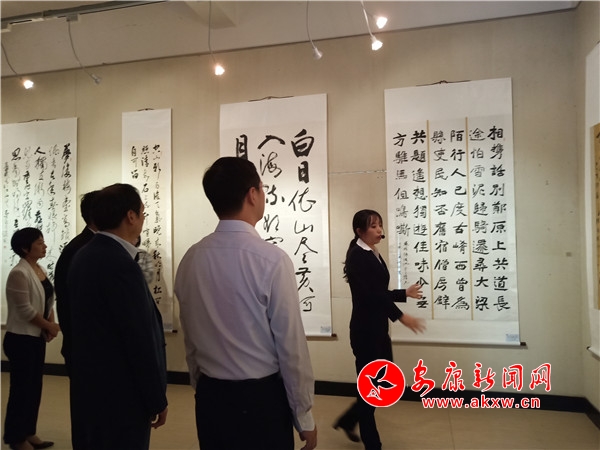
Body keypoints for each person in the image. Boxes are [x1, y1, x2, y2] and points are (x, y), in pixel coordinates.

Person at [175, 156, 317, 450]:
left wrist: (201, 387)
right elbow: (291, 348)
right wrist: (303, 415)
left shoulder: (191, 259)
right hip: (260, 401)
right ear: (253, 194)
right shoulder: (272, 260)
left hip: (211, 397)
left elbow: (191, 338)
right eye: (262, 188)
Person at [67, 183, 168, 450]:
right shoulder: (120, 263)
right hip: (121, 393)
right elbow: (138, 338)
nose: (143, 219)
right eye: (142, 213)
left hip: (93, 386)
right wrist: (156, 398)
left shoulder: (85, 254)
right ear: (130, 216)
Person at [333, 209, 425, 450]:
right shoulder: (357, 256)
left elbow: (379, 292)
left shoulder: (371, 252)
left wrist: (403, 293)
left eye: (379, 225)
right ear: (359, 231)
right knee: (371, 388)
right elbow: (371, 296)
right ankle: (373, 444)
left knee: (382, 382)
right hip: (365, 332)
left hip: (378, 329)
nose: (379, 230)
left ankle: (348, 419)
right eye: (373, 226)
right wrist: (401, 316)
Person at [3, 227, 59, 450]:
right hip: (20, 339)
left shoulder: (39, 269)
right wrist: (50, 326)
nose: (44, 246)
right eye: (39, 243)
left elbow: (48, 300)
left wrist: (50, 323)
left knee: (34, 388)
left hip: (35, 337)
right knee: (21, 391)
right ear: (25, 248)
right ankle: (16, 438)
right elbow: (25, 309)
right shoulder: (19, 273)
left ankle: (29, 432)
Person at [53, 189, 98, 450]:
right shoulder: (84, 248)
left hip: (82, 344)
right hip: (85, 345)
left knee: (89, 409)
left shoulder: (85, 245)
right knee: (87, 411)